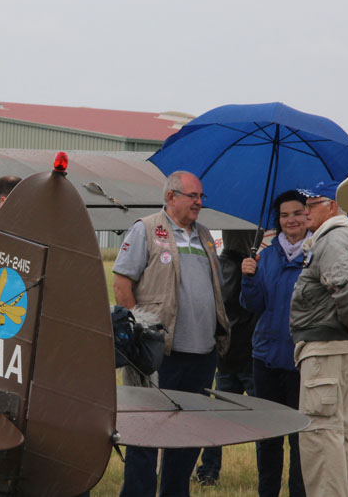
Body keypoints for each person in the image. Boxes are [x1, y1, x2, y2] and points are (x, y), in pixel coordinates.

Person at [113, 170, 230, 497]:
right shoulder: (146, 229)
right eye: (193, 196)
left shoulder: (205, 236)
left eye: (201, 197)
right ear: (170, 197)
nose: (199, 202)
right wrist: (139, 337)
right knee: (147, 433)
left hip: (202, 356)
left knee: (188, 434)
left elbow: (214, 289)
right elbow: (122, 285)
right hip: (159, 356)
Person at [289, 181, 348, 497]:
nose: (305, 211)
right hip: (335, 351)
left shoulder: (332, 240)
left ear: (333, 207)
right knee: (337, 436)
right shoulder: (347, 238)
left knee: (320, 438)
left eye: (312, 204)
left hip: (324, 353)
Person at [240, 190, 310, 497]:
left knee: (300, 436)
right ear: (277, 220)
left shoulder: (317, 256)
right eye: (284, 215)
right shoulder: (266, 256)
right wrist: (248, 278)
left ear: (308, 215)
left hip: (301, 360)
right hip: (266, 359)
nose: (290, 220)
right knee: (268, 435)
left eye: (297, 213)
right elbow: (252, 304)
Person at [195, 230, 259, 487]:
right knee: (265, 419)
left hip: (225, 355)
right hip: (248, 355)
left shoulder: (217, 267)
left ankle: (209, 470)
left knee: (217, 417)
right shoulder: (246, 268)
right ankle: (266, 471)